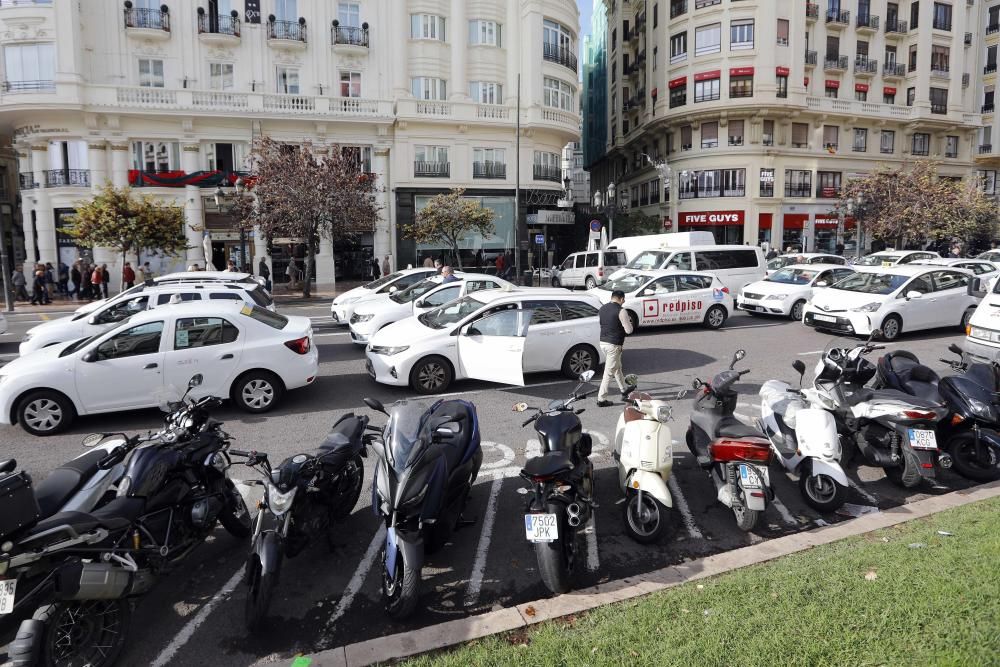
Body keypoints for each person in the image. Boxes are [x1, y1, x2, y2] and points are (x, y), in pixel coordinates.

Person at [596, 290, 635, 407]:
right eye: (624, 299)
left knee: (617, 368)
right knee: (608, 373)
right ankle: (601, 399)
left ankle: (624, 390)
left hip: (603, 343)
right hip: (614, 345)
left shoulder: (602, 308)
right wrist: (629, 323)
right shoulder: (621, 311)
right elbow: (629, 330)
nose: (624, 301)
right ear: (622, 299)